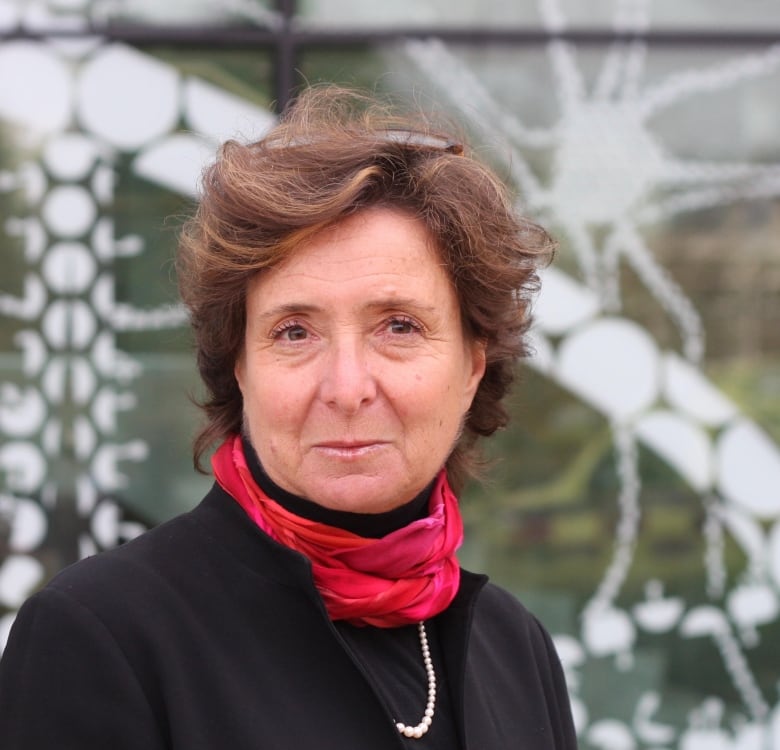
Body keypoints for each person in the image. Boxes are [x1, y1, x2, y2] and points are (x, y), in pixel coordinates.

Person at [0, 86, 577, 749]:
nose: (347, 387)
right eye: (295, 332)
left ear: (475, 361)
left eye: (398, 325)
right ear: (239, 364)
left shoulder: (514, 647)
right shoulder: (105, 635)